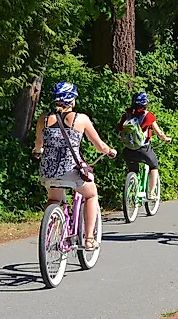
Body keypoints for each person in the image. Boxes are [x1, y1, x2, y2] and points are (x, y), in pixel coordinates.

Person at [33, 82, 117, 250]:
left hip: (48, 171)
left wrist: (38, 151)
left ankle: (51, 230)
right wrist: (109, 151)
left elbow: (38, 145)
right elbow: (99, 145)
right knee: (92, 195)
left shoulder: (43, 118)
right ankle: (89, 239)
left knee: (54, 199)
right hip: (71, 170)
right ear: (72, 100)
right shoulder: (81, 119)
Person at [115, 92, 172, 200]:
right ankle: (151, 193)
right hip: (143, 149)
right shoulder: (148, 116)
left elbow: (121, 131)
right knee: (154, 166)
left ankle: (131, 187)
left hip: (128, 150)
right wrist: (166, 138)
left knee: (133, 170)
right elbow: (159, 133)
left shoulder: (126, 115)